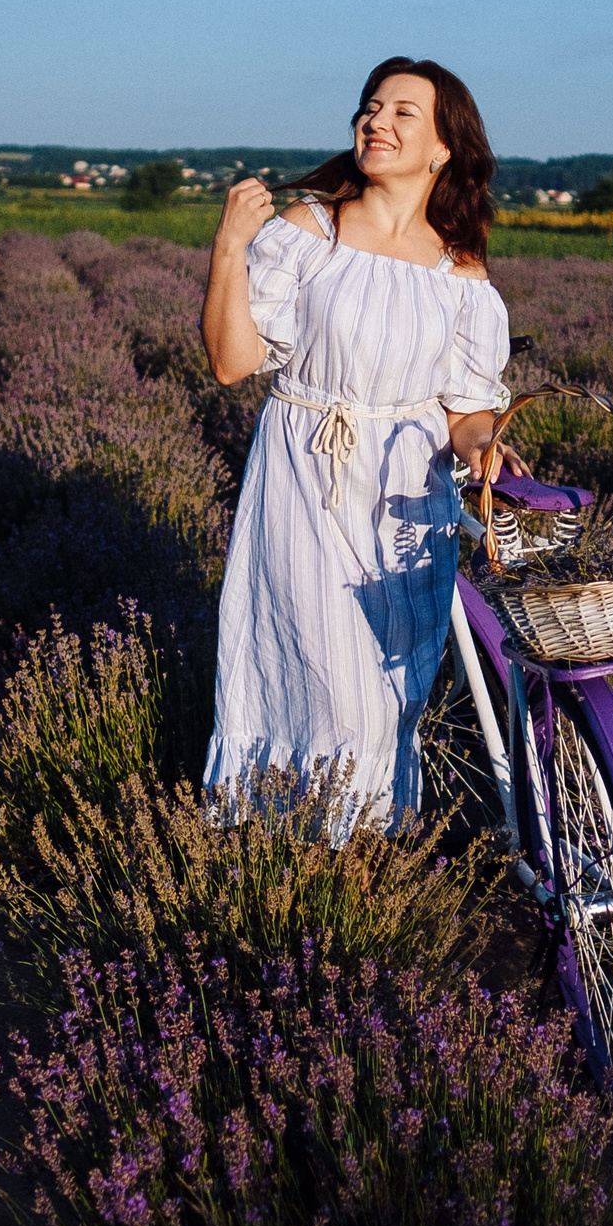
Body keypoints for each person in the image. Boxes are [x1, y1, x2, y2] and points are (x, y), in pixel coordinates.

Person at [198, 56, 524, 828]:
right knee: (317, 676)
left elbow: (468, 408)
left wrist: (486, 447)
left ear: (443, 147)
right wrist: (230, 249)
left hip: (406, 497)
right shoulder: (311, 230)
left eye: (403, 111)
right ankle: (288, 845)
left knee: (385, 695)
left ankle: (350, 855)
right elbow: (231, 362)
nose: (377, 120)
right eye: (371, 106)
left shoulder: (458, 272)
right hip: (306, 478)